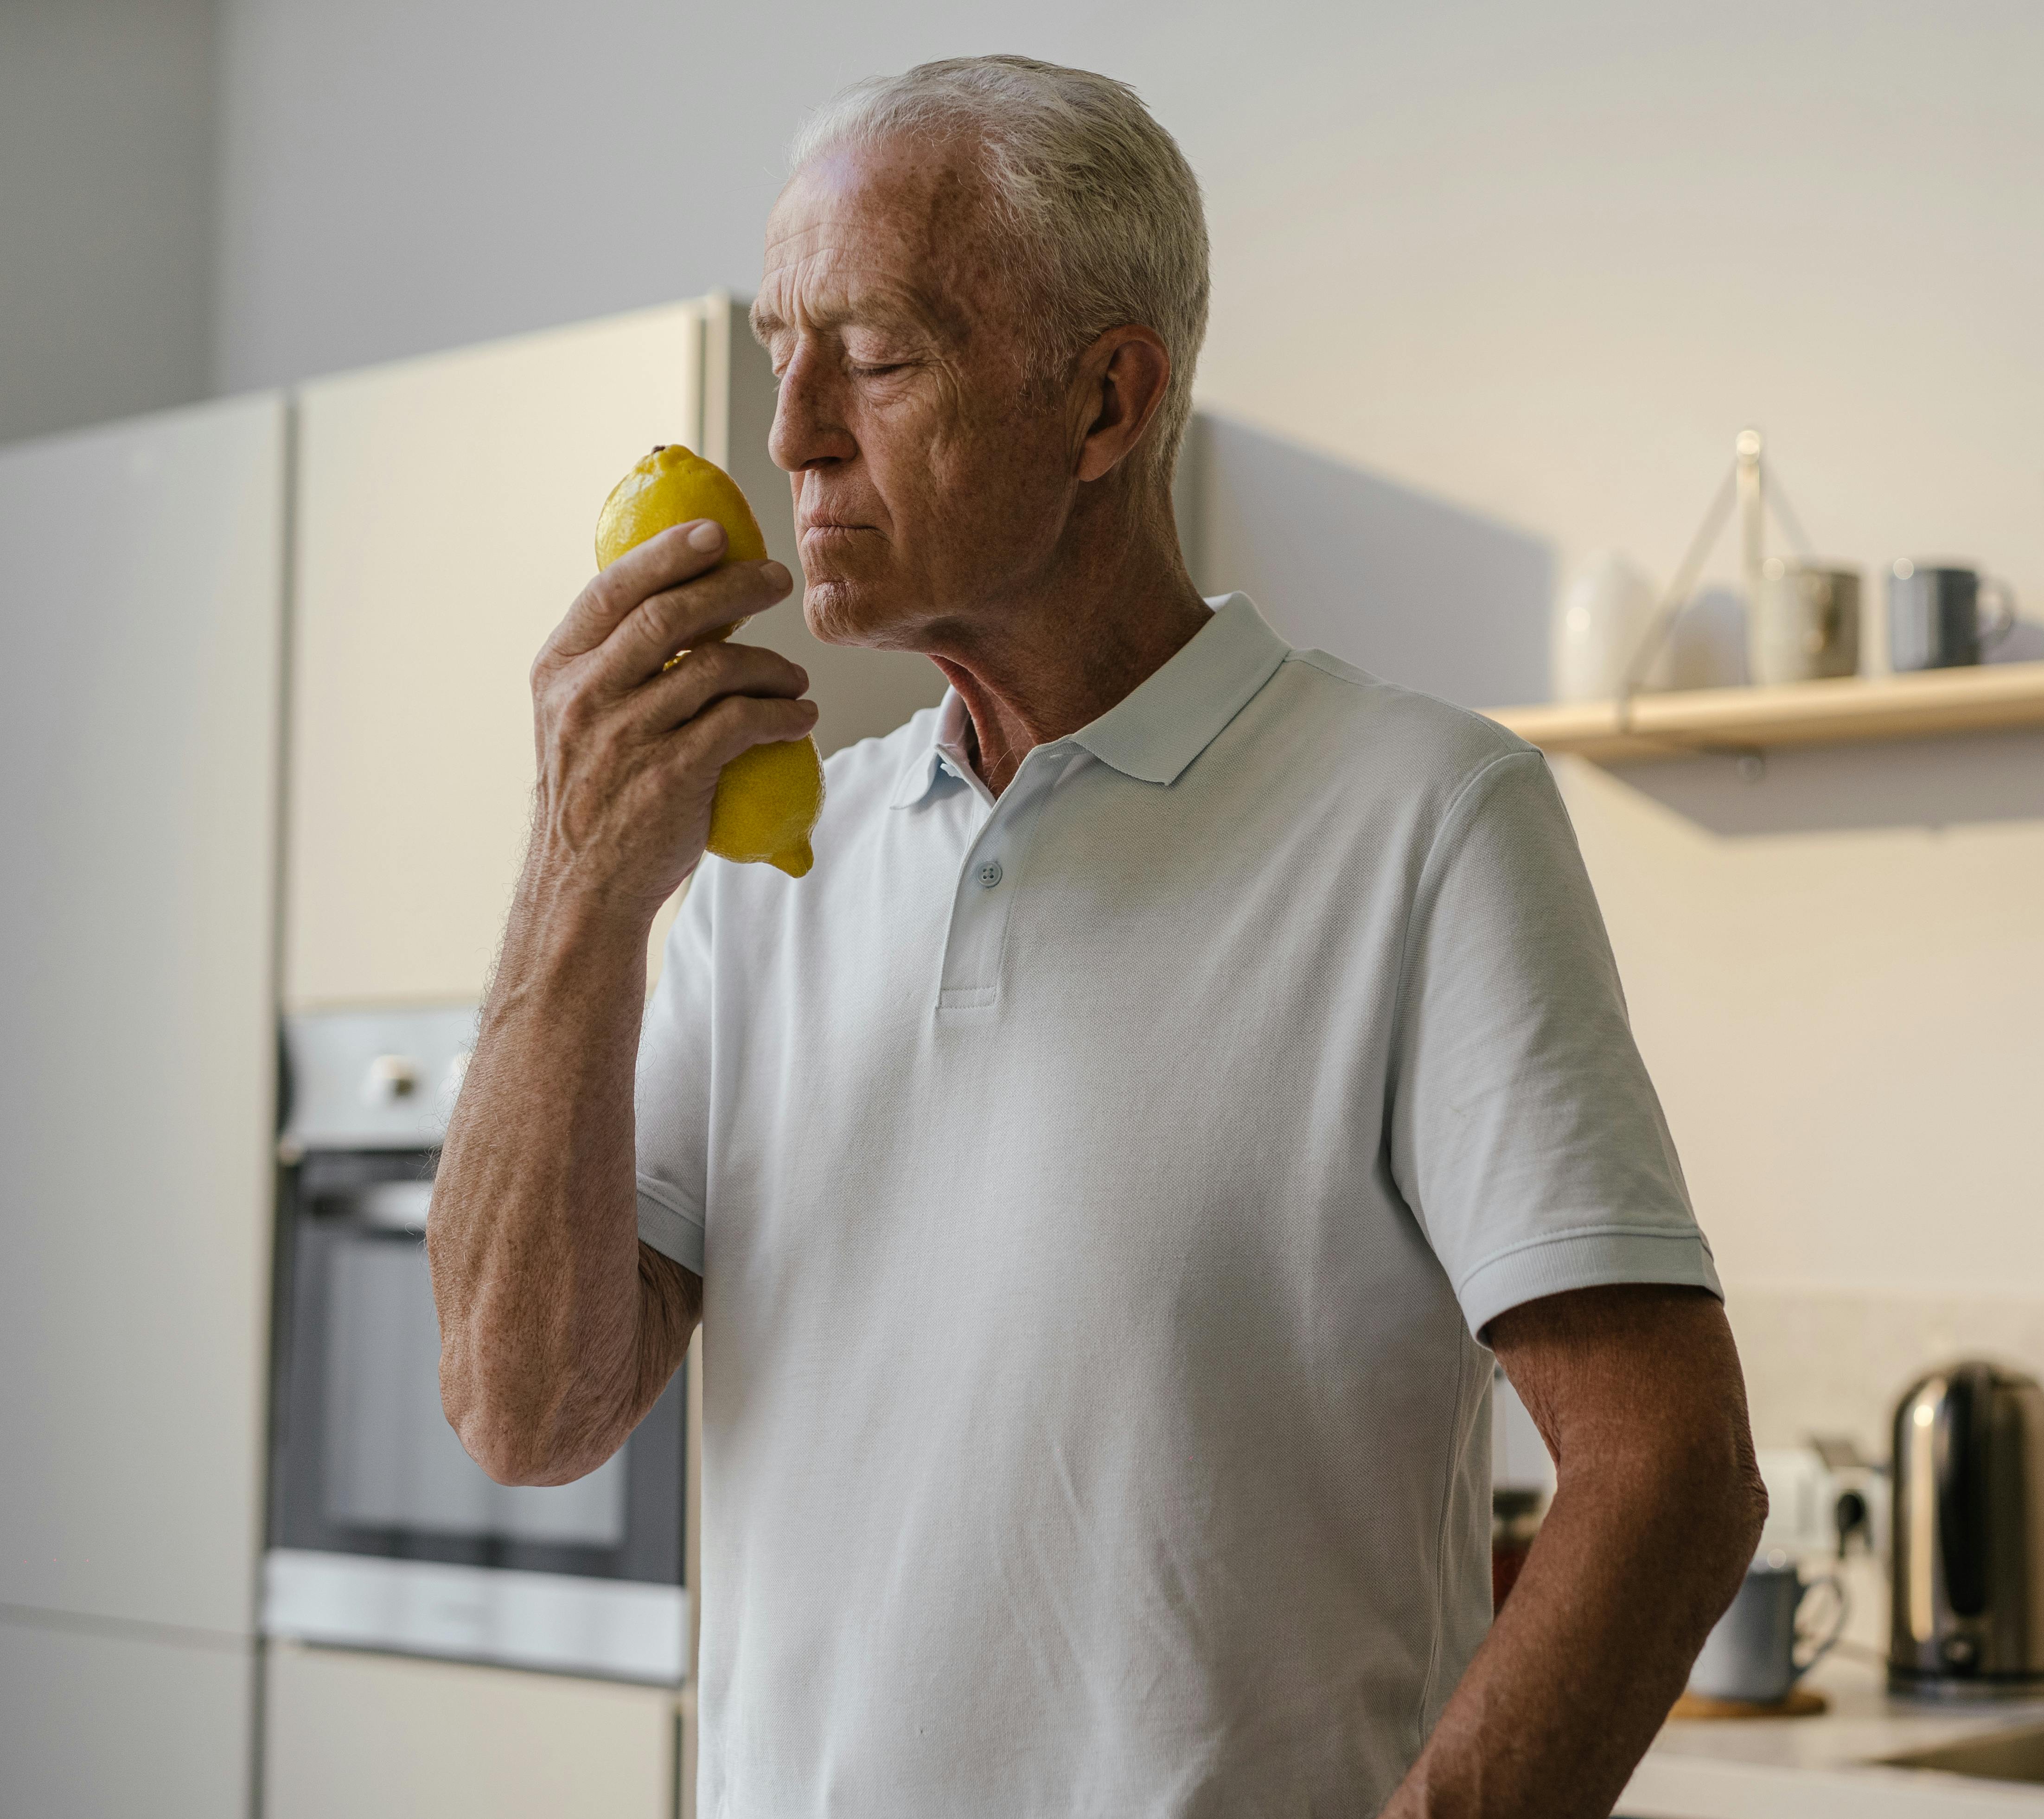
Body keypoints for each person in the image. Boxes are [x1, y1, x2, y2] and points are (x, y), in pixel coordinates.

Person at [428, 53, 1763, 1819]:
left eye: (878, 356)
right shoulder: (759, 874)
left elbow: (1669, 1470)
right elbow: (528, 1415)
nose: (794, 432)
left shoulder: (1421, 817)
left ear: (1105, 405)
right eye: (780, 353)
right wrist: (573, 890)